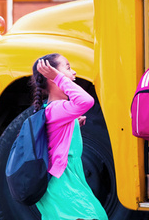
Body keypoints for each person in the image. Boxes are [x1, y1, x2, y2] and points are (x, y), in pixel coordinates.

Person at [31, 53, 108, 220]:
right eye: (67, 67)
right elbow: (86, 101)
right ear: (51, 77)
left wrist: (72, 126)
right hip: (61, 184)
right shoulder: (56, 108)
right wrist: (59, 77)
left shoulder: (54, 109)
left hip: (66, 181)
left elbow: (56, 141)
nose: (73, 73)